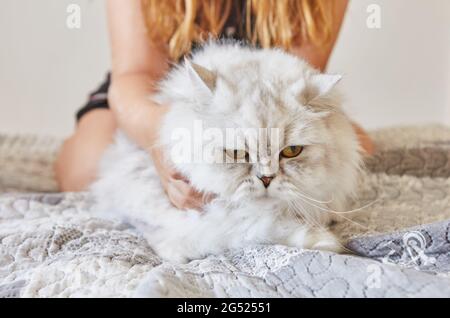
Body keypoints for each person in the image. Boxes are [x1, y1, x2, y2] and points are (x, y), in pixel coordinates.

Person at [55, 0, 374, 210]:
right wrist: (166, 141)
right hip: (158, 93)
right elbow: (134, 73)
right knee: (85, 169)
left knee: (357, 150)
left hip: (267, 101)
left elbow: (299, 82)